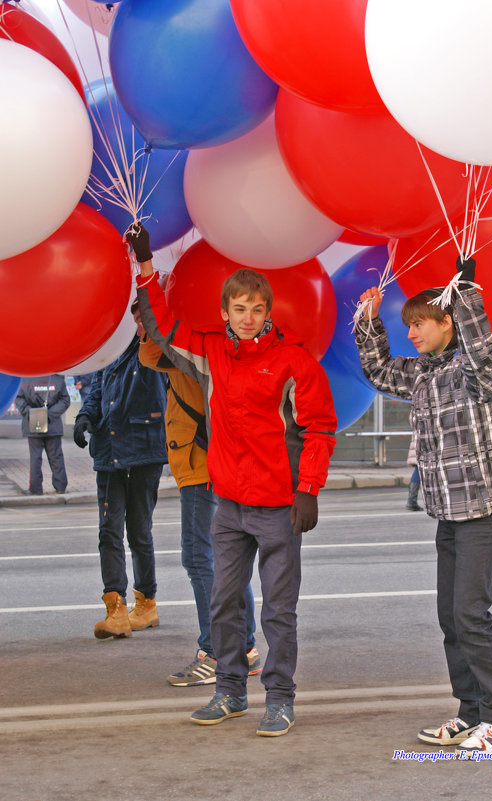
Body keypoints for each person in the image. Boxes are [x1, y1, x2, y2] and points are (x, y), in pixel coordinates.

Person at [127, 222, 337, 737]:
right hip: (229, 505)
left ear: (269, 313)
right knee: (224, 603)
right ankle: (230, 691)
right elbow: (163, 328)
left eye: (256, 310)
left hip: (279, 508)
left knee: (278, 612)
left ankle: (281, 700)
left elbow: (320, 428)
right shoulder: (213, 352)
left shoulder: (294, 362)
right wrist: (147, 267)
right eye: (238, 309)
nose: (247, 318)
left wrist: (307, 489)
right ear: (225, 314)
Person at [354, 256, 492, 756]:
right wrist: (368, 322)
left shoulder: (483, 363)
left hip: (486, 502)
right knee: (450, 615)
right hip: (451, 506)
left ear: (448, 322)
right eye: (406, 325)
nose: (410, 333)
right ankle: (471, 713)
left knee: (470, 611)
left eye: (419, 323)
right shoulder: (426, 373)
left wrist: (466, 291)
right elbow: (381, 372)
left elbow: (477, 351)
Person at [139, 331, 262, 685]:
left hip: (201, 462)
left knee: (200, 558)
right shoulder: (206, 344)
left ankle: (218, 651)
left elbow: (148, 354)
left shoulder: (186, 345)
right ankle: (244, 649)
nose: (139, 324)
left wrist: (153, 317)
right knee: (226, 560)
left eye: (140, 316)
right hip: (211, 460)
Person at [73, 299, 168, 640]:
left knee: (139, 532)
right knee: (108, 532)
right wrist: (85, 418)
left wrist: (152, 333)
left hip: (144, 453)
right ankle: (116, 609)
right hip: (110, 454)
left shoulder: (156, 351)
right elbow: (97, 390)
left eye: (145, 318)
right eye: (136, 318)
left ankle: (147, 603)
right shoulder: (111, 350)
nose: (140, 323)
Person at [15, 375, 70, 495]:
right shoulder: (57, 379)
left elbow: (19, 400)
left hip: (33, 425)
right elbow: (65, 401)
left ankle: (35, 489)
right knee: (56, 456)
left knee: (35, 458)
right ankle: (60, 487)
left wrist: (32, 414)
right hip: (53, 425)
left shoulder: (25, 380)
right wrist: (48, 415)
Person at [405, 435, 422, 511]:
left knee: (418, 468)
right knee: (419, 468)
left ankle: (412, 500)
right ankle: (412, 501)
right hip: (422, 441)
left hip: (418, 440)